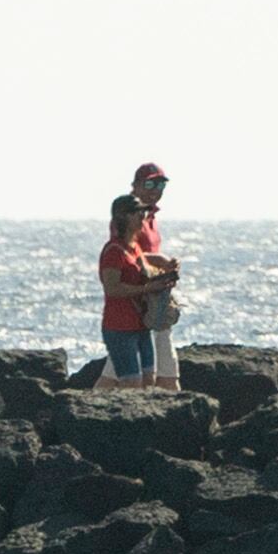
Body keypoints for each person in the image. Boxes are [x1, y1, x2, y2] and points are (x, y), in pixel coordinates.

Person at [98, 193, 177, 388]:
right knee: (131, 383)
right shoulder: (114, 252)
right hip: (120, 328)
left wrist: (164, 278)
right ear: (124, 217)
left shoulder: (134, 248)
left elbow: (145, 271)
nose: (143, 217)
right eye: (138, 213)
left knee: (149, 378)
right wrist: (148, 288)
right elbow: (112, 288)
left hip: (140, 326)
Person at [129, 160, 179, 389]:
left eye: (160, 186)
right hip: (139, 301)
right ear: (136, 185)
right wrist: (158, 261)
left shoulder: (150, 217)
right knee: (125, 374)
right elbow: (125, 254)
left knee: (166, 369)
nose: (156, 192)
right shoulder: (129, 215)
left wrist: (166, 269)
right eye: (150, 185)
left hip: (156, 298)